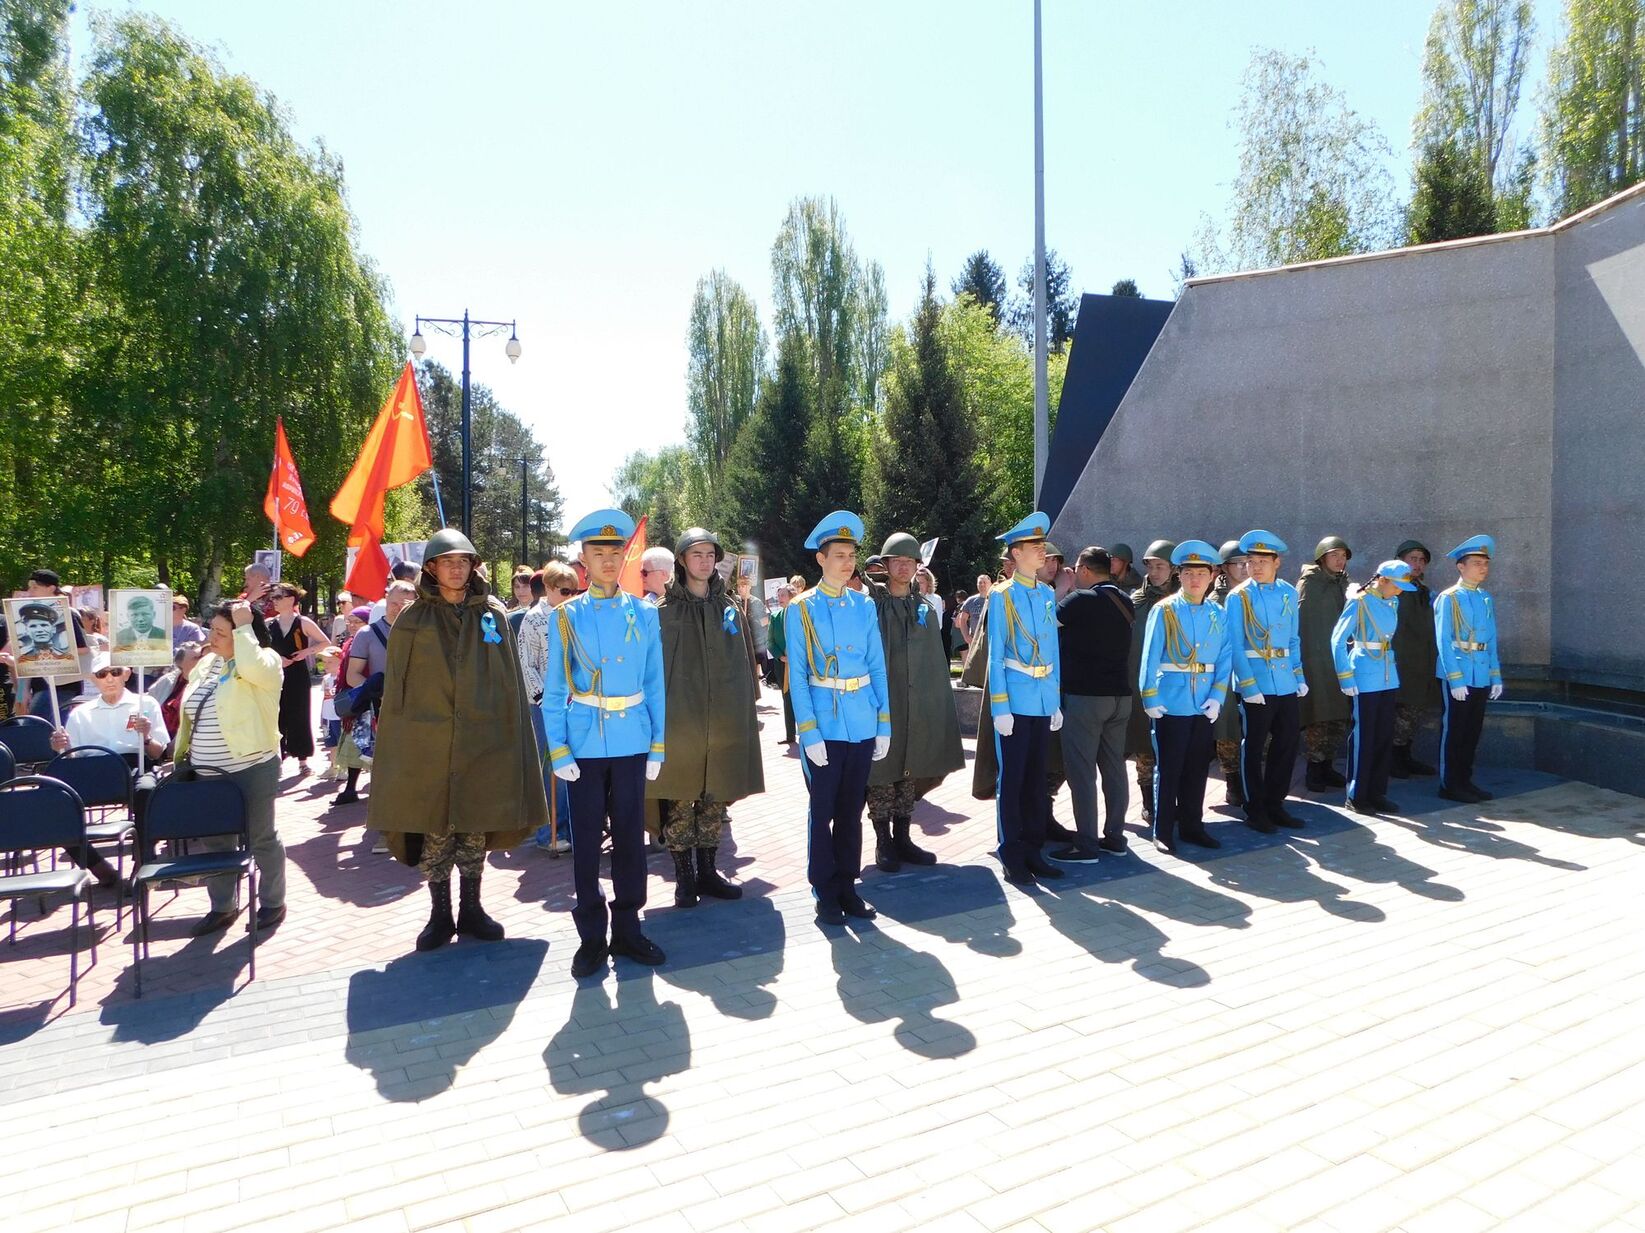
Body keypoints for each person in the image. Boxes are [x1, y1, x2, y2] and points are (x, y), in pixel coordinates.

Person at [370, 529, 544, 952]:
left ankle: (472, 909)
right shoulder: (411, 621)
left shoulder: (493, 616)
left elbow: (508, 682)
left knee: (473, 828)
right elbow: (398, 691)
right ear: (430, 568)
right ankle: (439, 914)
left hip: (481, 741)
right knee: (435, 831)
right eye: (447, 561)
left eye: (464, 561)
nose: (456, 568)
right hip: (428, 743)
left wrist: (506, 734)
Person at [544, 510, 667, 977]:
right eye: (599, 553)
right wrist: (557, 747)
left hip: (632, 736)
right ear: (583, 560)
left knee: (632, 837)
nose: (610, 561)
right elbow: (556, 688)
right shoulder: (565, 617)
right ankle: (592, 935)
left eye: (616, 552)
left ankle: (629, 928)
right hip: (585, 742)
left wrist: (658, 743)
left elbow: (654, 682)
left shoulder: (644, 612)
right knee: (587, 843)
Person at [649, 528, 763, 907]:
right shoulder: (661, 614)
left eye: (710, 554)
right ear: (681, 561)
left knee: (715, 800)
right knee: (681, 803)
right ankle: (684, 879)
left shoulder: (729, 608)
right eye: (696, 554)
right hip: (679, 725)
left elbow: (746, 667)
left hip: (723, 722)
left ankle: (709, 872)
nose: (704, 560)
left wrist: (745, 716)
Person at [787, 511, 890, 924]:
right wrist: (807, 731)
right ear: (821, 560)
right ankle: (824, 890)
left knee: (850, 809)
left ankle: (848, 885)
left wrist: (884, 721)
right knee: (823, 809)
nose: (848, 563)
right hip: (825, 724)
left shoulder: (864, 605)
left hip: (861, 719)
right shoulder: (802, 608)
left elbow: (876, 665)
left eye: (851, 555)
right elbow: (796, 673)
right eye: (839, 555)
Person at [174, 599, 288, 935]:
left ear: (243, 634)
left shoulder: (265, 662)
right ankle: (223, 907)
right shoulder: (207, 664)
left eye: (223, 632)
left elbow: (251, 667)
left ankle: (272, 902)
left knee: (261, 838)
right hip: (208, 774)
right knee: (216, 842)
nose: (214, 637)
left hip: (252, 767)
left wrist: (243, 627)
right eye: (214, 630)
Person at [864, 532, 964, 872]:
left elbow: (934, 661)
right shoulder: (872, 606)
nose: (904, 567)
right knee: (881, 773)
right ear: (886, 565)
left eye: (910, 561)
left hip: (916, 705)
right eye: (898, 561)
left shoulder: (925, 609)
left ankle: (903, 838)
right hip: (883, 703)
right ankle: (883, 842)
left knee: (909, 771)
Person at [984, 512, 1064, 884]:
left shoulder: (1046, 594)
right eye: (1034, 548)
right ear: (1016, 553)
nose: (1042, 553)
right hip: (1015, 702)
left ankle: (1035, 848)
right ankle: (1011, 852)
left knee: (1036, 778)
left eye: (1041, 547)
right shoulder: (1002, 597)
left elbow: (1052, 651)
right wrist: (1000, 707)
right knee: (1012, 780)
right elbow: (996, 656)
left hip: (1041, 699)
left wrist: (1055, 701)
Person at [1138, 541, 1232, 856]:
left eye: (1201, 573)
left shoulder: (1218, 614)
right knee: (1170, 767)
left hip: (1203, 701)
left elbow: (1225, 657)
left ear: (1212, 576)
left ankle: (1193, 825)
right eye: (1188, 572)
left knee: (1196, 767)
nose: (1194, 579)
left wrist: (1218, 696)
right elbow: (1149, 657)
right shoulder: (1164, 610)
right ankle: (1163, 830)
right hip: (1171, 701)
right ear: (1179, 575)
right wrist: (1149, 696)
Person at [1048, 547, 1135, 861]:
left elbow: (1044, 625)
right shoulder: (1125, 600)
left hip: (1085, 698)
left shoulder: (1079, 600)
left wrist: (1060, 589)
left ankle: (1086, 844)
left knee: (1082, 772)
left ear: (1084, 569)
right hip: (1120, 698)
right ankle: (1115, 838)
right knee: (1114, 770)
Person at [1226, 531, 1308, 833]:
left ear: (1277, 562)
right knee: (1254, 746)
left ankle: (1276, 803)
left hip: (1285, 679)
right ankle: (1255, 808)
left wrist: (1299, 676)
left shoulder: (1287, 592)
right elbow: (1235, 645)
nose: (1255, 567)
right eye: (1251, 561)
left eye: (1262, 561)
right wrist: (1248, 685)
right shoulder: (1239, 597)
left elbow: (1293, 638)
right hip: (1256, 682)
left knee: (1287, 742)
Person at [1332, 560, 1416, 816]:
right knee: (1364, 736)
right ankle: (1357, 795)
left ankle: (1377, 792)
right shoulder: (1360, 601)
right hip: (1365, 673)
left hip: (1387, 674)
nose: (1400, 590)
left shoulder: (1393, 601)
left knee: (1383, 734)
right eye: (1397, 585)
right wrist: (1346, 677)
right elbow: (1337, 640)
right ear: (1383, 580)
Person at [1435, 534, 1502, 804]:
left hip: (1481, 671)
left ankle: (1465, 780)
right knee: (1455, 731)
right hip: (1460, 673)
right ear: (1460, 567)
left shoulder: (1485, 598)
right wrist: (1455, 678)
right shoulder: (1448, 598)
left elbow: (1492, 640)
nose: (1483, 568)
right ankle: (1449, 784)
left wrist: (1495, 676)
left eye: (1485, 563)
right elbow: (1443, 641)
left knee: (1472, 731)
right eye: (1476, 563)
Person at [337, 586, 413, 805]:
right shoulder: (367, 634)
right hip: (384, 710)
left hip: (419, 709)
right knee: (387, 768)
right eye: (394, 603)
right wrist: (380, 692)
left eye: (405, 605)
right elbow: (353, 675)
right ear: (386, 601)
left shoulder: (424, 633)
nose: (397, 609)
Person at [528, 560, 580, 853]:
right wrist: (546, 700)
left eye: (574, 590)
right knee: (553, 765)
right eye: (564, 590)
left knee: (577, 765)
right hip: (548, 705)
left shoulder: (577, 616)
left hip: (580, 702)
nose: (570, 595)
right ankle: (550, 831)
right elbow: (527, 665)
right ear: (547, 588)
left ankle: (574, 828)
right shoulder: (534, 620)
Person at [1126, 540, 1178, 825]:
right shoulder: (1137, 601)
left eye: (1161, 566)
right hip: (1142, 686)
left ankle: (1174, 802)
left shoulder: (1185, 600)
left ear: (1173, 569)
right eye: (1151, 566)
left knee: (1175, 749)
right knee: (1145, 748)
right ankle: (1149, 802)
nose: (1155, 572)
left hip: (1178, 687)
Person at [1299, 535, 1354, 792]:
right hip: (1315, 658)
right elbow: (1303, 623)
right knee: (1318, 716)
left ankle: (1327, 765)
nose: (1340, 560)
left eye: (1343, 556)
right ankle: (1313, 769)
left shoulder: (1343, 584)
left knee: (1338, 716)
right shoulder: (1310, 583)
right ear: (1322, 558)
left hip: (1338, 659)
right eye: (1334, 555)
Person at [266, 583, 332, 773]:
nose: (274, 601)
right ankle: (277, 758)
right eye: (273, 597)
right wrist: (277, 659)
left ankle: (303, 760)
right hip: (276, 674)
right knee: (277, 715)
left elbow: (324, 642)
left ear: (290, 599)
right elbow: (262, 648)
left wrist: (305, 652)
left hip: (297, 674)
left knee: (300, 714)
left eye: (278, 597)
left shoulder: (303, 622)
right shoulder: (270, 623)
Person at [1390, 539, 1440, 777]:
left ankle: (1405, 756)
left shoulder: (1423, 591)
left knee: (1414, 714)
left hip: (1422, 663)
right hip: (1402, 664)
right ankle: (1393, 759)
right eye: (1413, 559)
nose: (1418, 564)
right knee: (1399, 714)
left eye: (1422, 560)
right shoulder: (1394, 588)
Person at [1207, 541, 1251, 806]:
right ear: (1224, 567)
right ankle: (1233, 784)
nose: (1245, 568)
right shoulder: (1217, 601)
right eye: (1238, 563)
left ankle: (1250, 781)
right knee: (1228, 732)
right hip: (1226, 673)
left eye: (1248, 562)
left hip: (1252, 672)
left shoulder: (1254, 593)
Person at [148, 640, 205, 739]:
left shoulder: (206, 682)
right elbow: (150, 701)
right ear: (181, 663)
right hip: (161, 739)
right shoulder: (168, 681)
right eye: (196, 658)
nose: (201, 661)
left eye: (202, 657)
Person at [769, 585, 796, 744]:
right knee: (787, 699)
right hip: (782, 665)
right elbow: (770, 642)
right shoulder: (775, 616)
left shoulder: (802, 614)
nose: (779, 598)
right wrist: (780, 657)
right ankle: (790, 735)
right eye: (778, 595)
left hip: (800, 665)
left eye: (783, 595)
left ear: (791, 596)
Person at [738, 575, 772, 683]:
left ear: (749, 587)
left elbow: (765, 620)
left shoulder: (756, 602)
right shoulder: (735, 601)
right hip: (739, 639)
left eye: (743, 586)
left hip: (754, 640)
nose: (740, 588)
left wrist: (753, 623)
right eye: (738, 586)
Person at [956, 575, 990, 648]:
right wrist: (966, 636)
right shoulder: (971, 601)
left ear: (990, 584)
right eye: (980, 583)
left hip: (991, 638)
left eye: (984, 582)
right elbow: (962, 619)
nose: (982, 584)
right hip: (974, 639)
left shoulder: (996, 599)